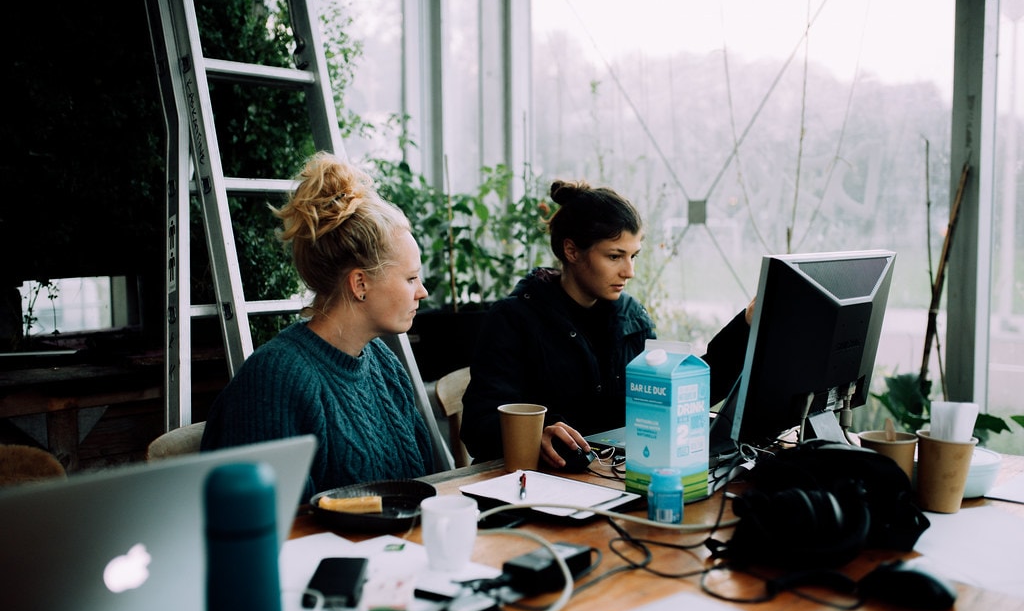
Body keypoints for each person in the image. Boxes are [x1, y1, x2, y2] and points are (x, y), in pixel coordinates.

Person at [459, 179, 753, 469]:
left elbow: (677, 396)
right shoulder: (513, 320)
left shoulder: (631, 317)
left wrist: (747, 327)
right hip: (539, 484)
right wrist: (538, 433)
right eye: (615, 256)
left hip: (606, 479)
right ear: (572, 251)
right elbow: (478, 426)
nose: (630, 272)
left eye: (633, 256)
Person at [201, 152, 436, 499]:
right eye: (411, 278)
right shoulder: (275, 382)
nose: (423, 291)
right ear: (360, 285)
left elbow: (427, 489)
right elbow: (276, 526)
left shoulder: (385, 367)